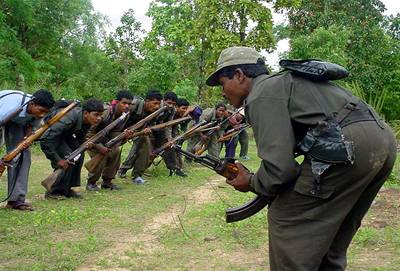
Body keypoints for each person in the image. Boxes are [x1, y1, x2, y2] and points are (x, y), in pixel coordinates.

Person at [206, 46, 397, 271]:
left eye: (222, 83)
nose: (222, 92)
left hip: (347, 144)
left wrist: (252, 181)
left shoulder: (261, 93)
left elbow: (280, 170)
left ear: (239, 75)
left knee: (287, 217)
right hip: (382, 140)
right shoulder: (287, 84)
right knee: (334, 234)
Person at [0, 89, 55, 211]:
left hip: (18, 123)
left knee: (22, 156)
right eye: (41, 111)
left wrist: (27, 138)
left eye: (46, 113)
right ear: (32, 104)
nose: (42, 115)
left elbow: (32, 126)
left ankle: (16, 200)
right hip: (2, 118)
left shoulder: (37, 111)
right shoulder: (9, 107)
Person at [40, 99, 103, 199]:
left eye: (100, 115)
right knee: (68, 156)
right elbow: (46, 139)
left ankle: (67, 189)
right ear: (86, 113)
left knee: (79, 154)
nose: (99, 118)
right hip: (53, 137)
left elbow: (80, 137)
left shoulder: (88, 120)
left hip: (65, 135)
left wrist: (85, 145)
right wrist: (57, 160)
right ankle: (53, 191)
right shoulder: (68, 118)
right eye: (96, 115)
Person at [86, 90, 133, 191]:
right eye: (124, 103)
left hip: (106, 139)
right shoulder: (105, 112)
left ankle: (107, 182)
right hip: (92, 139)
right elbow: (88, 132)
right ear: (116, 101)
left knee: (115, 151)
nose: (127, 106)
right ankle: (91, 182)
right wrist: (99, 146)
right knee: (102, 154)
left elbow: (116, 131)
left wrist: (124, 136)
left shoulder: (125, 115)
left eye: (129, 104)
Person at [117, 90, 162, 184]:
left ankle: (137, 175)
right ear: (146, 101)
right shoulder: (132, 105)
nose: (157, 106)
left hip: (138, 131)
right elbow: (119, 118)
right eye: (154, 103)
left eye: (158, 104)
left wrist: (147, 129)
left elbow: (151, 123)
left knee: (145, 145)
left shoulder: (156, 111)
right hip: (120, 130)